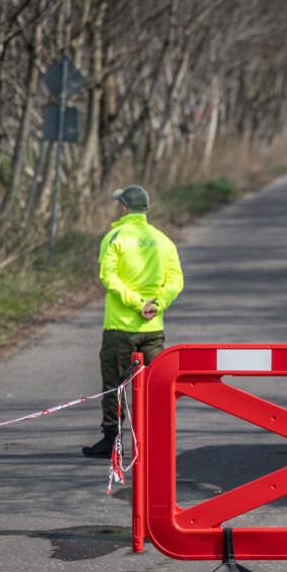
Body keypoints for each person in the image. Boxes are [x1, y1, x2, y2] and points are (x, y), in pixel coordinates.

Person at [83, 185, 184, 457]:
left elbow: (109, 277)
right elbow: (176, 281)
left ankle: (111, 442)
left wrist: (136, 304)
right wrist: (156, 304)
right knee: (155, 388)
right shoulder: (164, 240)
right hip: (153, 330)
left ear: (124, 208)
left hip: (120, 328)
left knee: (115, 386)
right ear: (146, 210)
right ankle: (154, 443)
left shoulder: (115, 237)